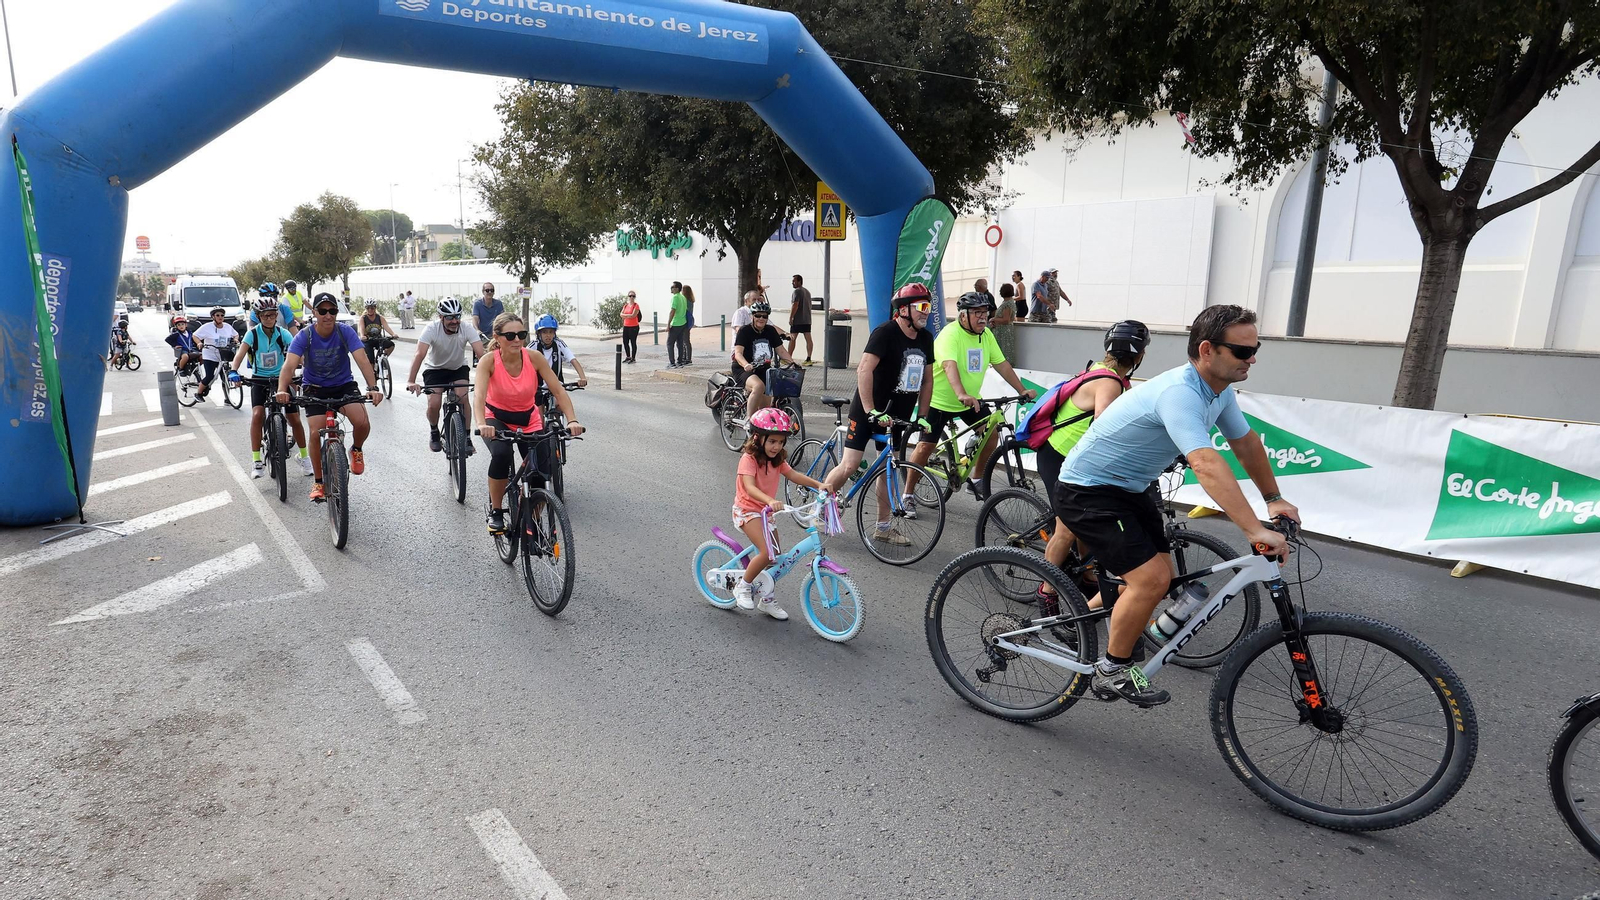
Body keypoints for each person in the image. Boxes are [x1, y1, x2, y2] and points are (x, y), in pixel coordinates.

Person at [1056, 305, 1298, 707]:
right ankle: (1111, 671)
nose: (1252, 358)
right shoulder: (1180, 393)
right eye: (1242, 351)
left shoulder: (1218, 392)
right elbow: (1204, 462)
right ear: (1207, 350)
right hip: (1088, 489)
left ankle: (1115, 626)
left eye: (1256, 349)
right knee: (1150, 580)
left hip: (1129, 488)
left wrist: (1274, 499)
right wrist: (1254, 530)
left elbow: (1246, 444)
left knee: (1165, 577)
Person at [1031, 320, 1147, 610]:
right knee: (1068, 528)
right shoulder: (1108, 382)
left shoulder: (1102, 370)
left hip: (1074, 457)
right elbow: (1105, 428)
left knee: (1087, 519)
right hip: (1060, 457)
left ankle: (1087, 573)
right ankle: (1046, 590)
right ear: (1139, 356)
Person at [820, 283, 935, 547]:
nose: (926, 313)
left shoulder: (926, 338)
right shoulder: (885, 333)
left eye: (929, 306)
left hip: (896, 417)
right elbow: (864, 370)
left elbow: (927, 381)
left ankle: (883, 527)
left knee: (888, 470)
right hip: (868, 411)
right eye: (922, 307)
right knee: (850, 465)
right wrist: (871, 409)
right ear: (904, 310)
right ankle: (821, 506)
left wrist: (923, 415)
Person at [906, 291, 1035, 501]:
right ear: (963, 315)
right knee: (925, 447)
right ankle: (908, 494)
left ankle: (976, 480)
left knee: (992, 433)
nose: (982, 317)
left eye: (984, 312)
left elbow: (1001, 364)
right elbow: (949, 365)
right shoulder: (951, 334)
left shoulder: (986, 336)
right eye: (976, 313)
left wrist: (1021, 390)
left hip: (969, 400)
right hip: (938, 402)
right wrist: (961, 393)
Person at [473, 312, 584, 535]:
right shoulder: (489, 361)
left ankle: (531, 520)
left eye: (521, 334)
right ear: (497, 336)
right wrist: (481, 423)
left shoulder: (534, 358)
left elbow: (558, 390)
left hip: (528, 417)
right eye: (510, 335)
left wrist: (572, 419)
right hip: (497, 419)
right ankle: (496, 511)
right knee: (502, 455)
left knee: (542, 470)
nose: (517, 340)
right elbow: (479, 396)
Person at [275, 293, 385, 501]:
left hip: (343, 385)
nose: (328, 315)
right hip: (314, 388)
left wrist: (373, 386)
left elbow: (362, 359)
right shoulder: (304, 335)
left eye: (332, 311)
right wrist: (282, 389)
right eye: (323, 311)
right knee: (315, 433)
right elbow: (289, 365)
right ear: (314, 312)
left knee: (362, 422)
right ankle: (318, 482)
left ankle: (356, 449)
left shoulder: (345, 332)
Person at [728, 406, 827, 619]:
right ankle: (743, 586)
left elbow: (794, 475)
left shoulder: (777, 460)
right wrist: (771, 500)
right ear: (758, 438)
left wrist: (819, 485)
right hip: (748, 511)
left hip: (766, 513)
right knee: (766, 553)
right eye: (772, 441)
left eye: (781, 442)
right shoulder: (749, 458)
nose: (777, 446)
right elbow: (750, 487)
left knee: (774, 559)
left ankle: (766, 599)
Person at [231, 296, 313, 478]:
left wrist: (307, 369)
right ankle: (256, 461)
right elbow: (240, 354)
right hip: (259, 379)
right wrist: (233, 370)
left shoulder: (283, 333)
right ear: (258, 316)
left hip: (281, 379)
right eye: (265, 315)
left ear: (277, 315)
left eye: (272, 315)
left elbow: (297, 354)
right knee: (257, 415)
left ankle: (305, 457)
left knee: (294, 418)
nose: (269, 318)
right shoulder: (252, 334)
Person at [405, 296, 485, 452]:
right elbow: (419, 354)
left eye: (457, 316)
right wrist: (410, 381)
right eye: (449, 317)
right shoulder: (431, 329)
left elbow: (482, 354)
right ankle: (434, 431)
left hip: (458, 368)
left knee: (463, 397)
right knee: (434, 403)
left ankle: (467, 438)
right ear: (441, 317)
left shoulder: (467, 328)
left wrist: (494, 377)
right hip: (435, 369)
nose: (454, 321)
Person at [731, 299, 793, 418]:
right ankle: (750, 421)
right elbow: (738, 353)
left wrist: (792, 363)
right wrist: (745, 365)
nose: (761, 318)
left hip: (764, 369)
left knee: (766, 406)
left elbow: (781, 350)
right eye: (758, 315)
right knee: (758, 386)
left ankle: (761, 428)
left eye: (764, 316)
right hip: (743, 369)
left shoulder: (770, 331)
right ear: (752, 316)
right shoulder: (744, 331)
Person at [192, 307, 239, 401]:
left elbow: (235, 334)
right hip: (210, 354)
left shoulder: (227, 326)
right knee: (210, 376)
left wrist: (236, 339)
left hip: (223, 354)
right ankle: (198, 393)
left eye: (222, 315)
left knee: (225, 376)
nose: (220, 317)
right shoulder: (207, 327)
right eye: (217, 315)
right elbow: (195, 335)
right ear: (213, 317)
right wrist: (199, 343)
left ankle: (227, 398)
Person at [531, 314, 588, 389]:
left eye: (551, 332)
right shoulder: (533, 346)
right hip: (538, 388)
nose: (548, 335)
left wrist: (582, 378)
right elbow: (521, 360)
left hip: (557, 387)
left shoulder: (559, 344)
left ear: (554, 333)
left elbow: (573, 360)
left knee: (563, 400)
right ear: (539, 333)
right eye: (544, 332)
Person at [359, 299, 398, 368]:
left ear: (375, 308)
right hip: (368, 340)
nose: (370, 309)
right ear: (366, 308)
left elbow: (386, 327)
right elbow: (361, 328)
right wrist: (362, 336)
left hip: (378, 339)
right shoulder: (363, 318)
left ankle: (381, 359)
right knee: (371, 361)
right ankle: (373, 374)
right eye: (368, 308)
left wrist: (393, 334)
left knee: (391, 345)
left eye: (372, 307)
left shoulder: (380, 317)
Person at [787, 274, 814, 366]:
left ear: (799, 281)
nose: (792, 283)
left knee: (792, 338)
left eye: (794, 281)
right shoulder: (807, 292)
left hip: (798, 320)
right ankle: (809, 358)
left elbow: (795, 305)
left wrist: (791, 317)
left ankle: (788, 357)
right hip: (807, 319)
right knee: (808, 338)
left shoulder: (797, 292)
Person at [666, 281, 688, 368]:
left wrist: (668, 324)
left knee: (669, 343)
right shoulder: (683, 297)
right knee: (680, 343)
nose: (671, 288)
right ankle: (680, 361)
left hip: (676, 323)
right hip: (683, 322)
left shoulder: (675, 297)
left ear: (677, 288)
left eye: (672, 287)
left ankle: (672, 362)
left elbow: (672, 311)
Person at [620, 291, 642, 363]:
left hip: (634, 327)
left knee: (633, 342)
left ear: (635, 297)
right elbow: (621, 314)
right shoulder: (625, 305)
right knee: (625, 342)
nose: (631, 297)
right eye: (630, 296)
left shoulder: (636, 305)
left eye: (633, 296)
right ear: (628, 297)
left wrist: (625, 315)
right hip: (626, 326)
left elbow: (633, 315)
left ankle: (633, 358)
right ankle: (628, 356)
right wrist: (628, 315)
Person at [681, 284, 697, 364]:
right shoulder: (691, 300)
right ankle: (686, 357)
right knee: (686, 340)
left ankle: (687, 358)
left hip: (685, 321)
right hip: (689, 321)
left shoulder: (685, 300)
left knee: (685, 340)